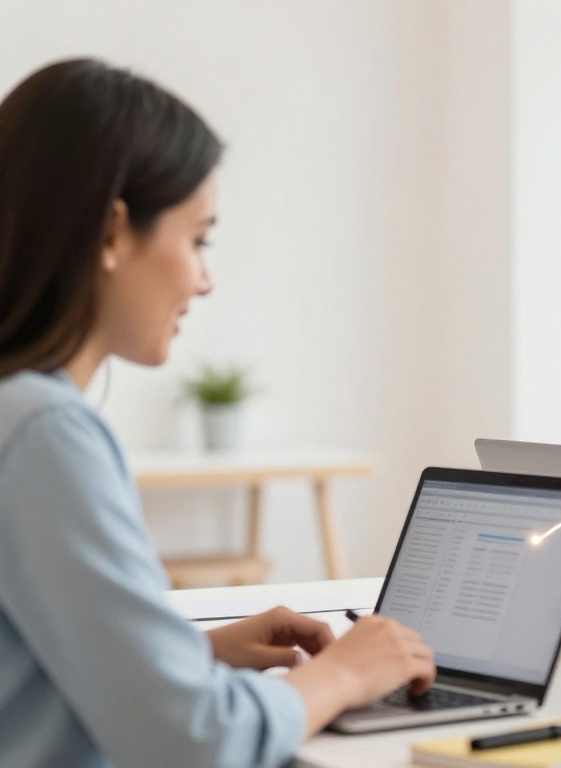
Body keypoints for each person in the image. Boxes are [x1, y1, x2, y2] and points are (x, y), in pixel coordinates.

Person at [0, 59, 436, 766]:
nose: (205, 280)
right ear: (111, 234)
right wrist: (344, 675)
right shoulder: (42, 433)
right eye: (198, 239)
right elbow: (194, 739)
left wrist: (188, 655)